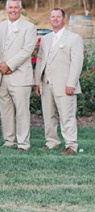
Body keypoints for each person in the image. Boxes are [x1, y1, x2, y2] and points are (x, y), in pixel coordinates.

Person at [34, 8, 83, 154]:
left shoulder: (74, 38)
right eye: (52, 16)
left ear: (64, 19)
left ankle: (71, 145)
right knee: (48, 116)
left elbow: (77, 63)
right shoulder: (45, 39)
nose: (55, 19)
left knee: (67, 116)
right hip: (46, 83)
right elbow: (41, 60)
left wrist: (71, 84)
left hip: (64, 84)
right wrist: (37, 81)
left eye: (58, 17)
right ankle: (52, 141)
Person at [0, 0, 37, 151]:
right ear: (6, 9)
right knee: (5, 111)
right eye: (10, 7)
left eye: (16, 7)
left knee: (22, 111)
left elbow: (27, 50)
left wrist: (9, 65)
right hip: (1, 75)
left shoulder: (29, 27)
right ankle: (9, 140)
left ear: (21, 9)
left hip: (19, 76)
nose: (13, 10)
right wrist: (0, 65)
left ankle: (23, 143)